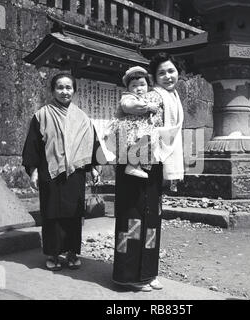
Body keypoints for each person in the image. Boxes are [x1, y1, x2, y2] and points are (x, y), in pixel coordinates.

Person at [112, 53, 184, 292]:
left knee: (151, 218)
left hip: (154, 162)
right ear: (154, 77)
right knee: (132, 217)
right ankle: (128, 273)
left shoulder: (172, 98)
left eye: (171, 71)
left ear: (178, 73)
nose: (167, 76)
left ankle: (147, 272)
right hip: (134, 160)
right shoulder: (153, 96)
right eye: (162, 72)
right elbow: (134, 122)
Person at [22, 73, 100, 271]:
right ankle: (54, 254)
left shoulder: (83, 117)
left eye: (68, 87)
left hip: (76, 173)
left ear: (74, 90)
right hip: (50, 171)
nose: (65, 91)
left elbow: (92, 143)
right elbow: (33, 146)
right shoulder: (42, 115)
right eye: (60, 87)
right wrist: (33, 171)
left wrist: (94, 169)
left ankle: (72, 253)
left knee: (75, 214)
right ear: (52, 90)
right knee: (51, 214)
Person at [109, 66, 163, 178]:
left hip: (132, 132)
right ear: (128, 88)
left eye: (142, 85)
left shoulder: (147, 97)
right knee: (145, 137)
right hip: (124, 130)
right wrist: (148, 107)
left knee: (149, 140)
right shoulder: (128, 97)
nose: (139, 89)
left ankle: (136, 165)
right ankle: (132, 165)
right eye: (134, 85)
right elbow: (130, 106)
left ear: (148, 86)